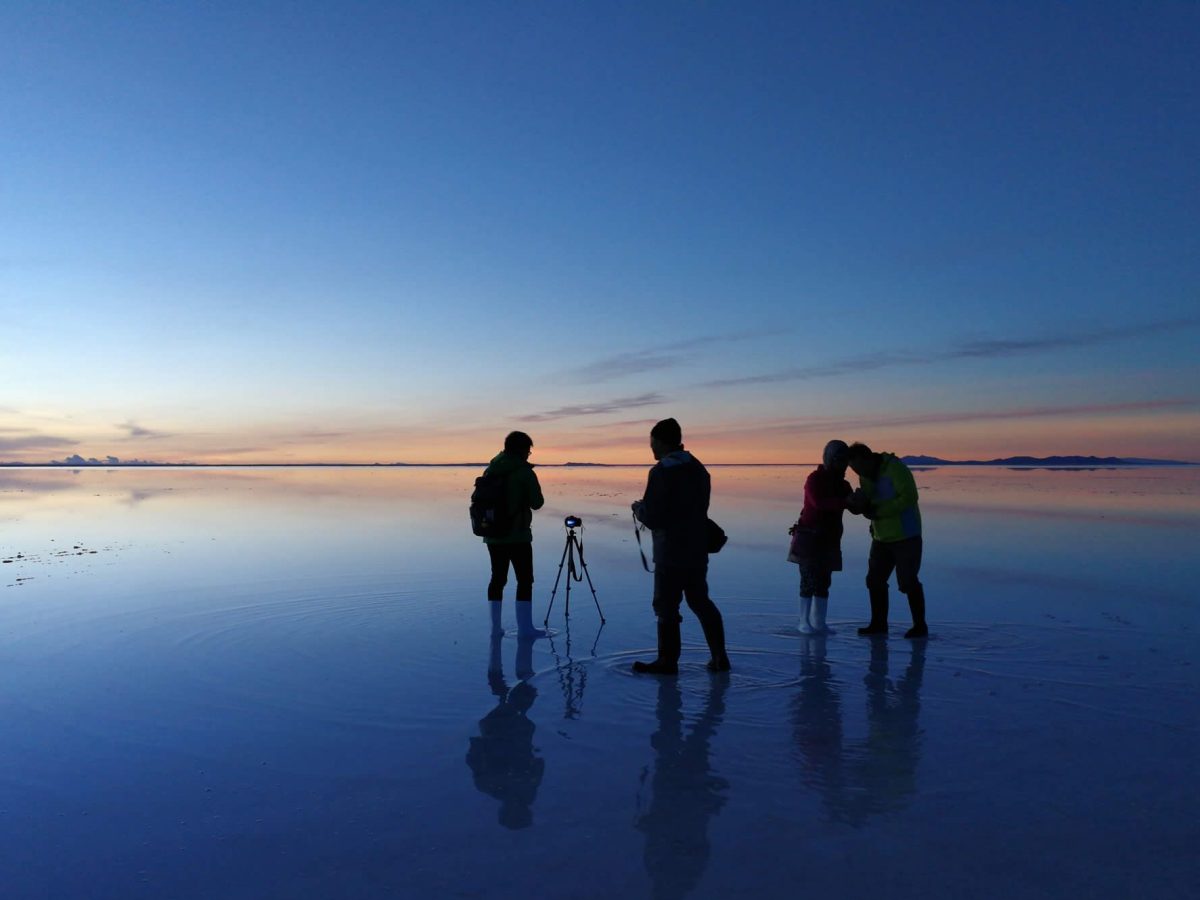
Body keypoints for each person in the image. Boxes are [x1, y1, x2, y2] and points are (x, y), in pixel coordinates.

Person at [630, 418, 731, 674]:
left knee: (666, 605)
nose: (651, 449)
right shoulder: (698, 468)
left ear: (663, 442)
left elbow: (653, 516)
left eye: (653, 443)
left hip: (670, 551)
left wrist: (638, 509)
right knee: (700, 600)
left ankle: (667, 661)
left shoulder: (662, 471)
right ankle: (719, 656)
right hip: (697, 548)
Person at [846, 442, 929, 638]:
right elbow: (871, 500)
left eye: (858, 467)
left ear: (867, 458)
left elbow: (909, 497)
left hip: (906, 536)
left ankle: (920, 626)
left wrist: (879, 511)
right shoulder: (864, 475)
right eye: (853, 469)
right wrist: (859, 507)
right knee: (874, 581)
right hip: (881, 537)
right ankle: (878, 624)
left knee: (908, 582)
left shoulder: (895, 468)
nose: (857, 472)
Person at [482, 431, 545, 638]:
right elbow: (537, 503)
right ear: (520, 449)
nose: (529, 454)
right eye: (528, 450)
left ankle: (494, 628)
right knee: (525, 580)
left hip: (493, 534)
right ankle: (525, 628)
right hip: (517, 535)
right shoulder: (524, 472)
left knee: (497, 579)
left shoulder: (491, 469)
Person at [788, 439, 853, 634]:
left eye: (846, 461)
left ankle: (819, 622)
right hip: (810, 538)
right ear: (831, 459)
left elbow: (854, 507)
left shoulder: (843, 484)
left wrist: (860, 502)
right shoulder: (814, 479)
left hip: (830, 539)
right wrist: (846, 501)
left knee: (824, 582)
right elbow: (819, 503)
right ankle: (803, 621)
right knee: (808, 580)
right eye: (841, 460)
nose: (844, 465)